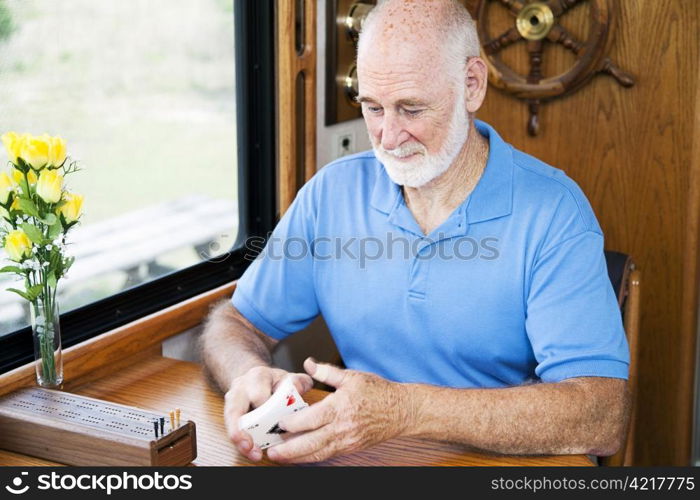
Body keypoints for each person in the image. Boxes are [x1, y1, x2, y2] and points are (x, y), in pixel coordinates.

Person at [201, 0, 630, 464]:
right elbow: (235, 322)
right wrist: (248, 372)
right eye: (372, 107)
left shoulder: (554, 211)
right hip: (367, 456)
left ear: (471, 85)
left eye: (411, 108)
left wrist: (406, 410)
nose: (387, 136)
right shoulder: (332, 192)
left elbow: (601, 417)